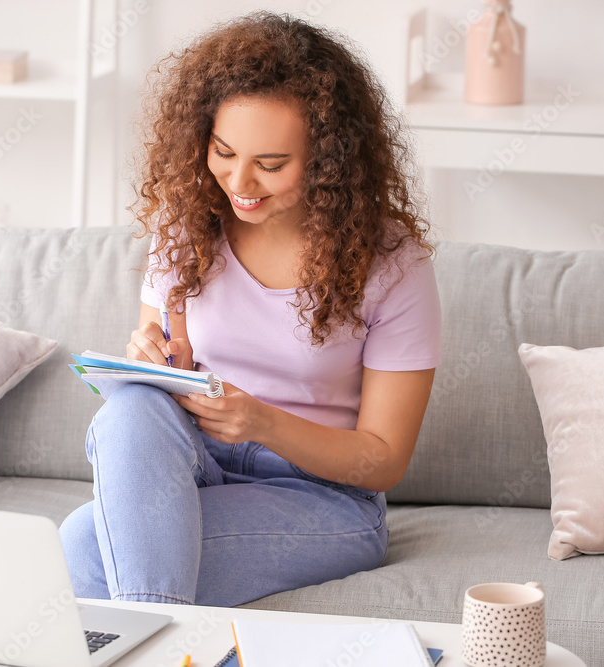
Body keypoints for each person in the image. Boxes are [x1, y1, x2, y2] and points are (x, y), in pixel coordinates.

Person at [58, 10, 440, 607]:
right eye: (223, 152)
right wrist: (152, 360)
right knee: (132, 406)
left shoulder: (391, 263)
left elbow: (385, 461)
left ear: (327, 161)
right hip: (196, 459)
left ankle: (154, 637)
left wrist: (262, 421)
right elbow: (159, 366)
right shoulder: (186, 225)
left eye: (271, 164)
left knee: (82, 550)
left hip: (324, 497)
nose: (239, 182)